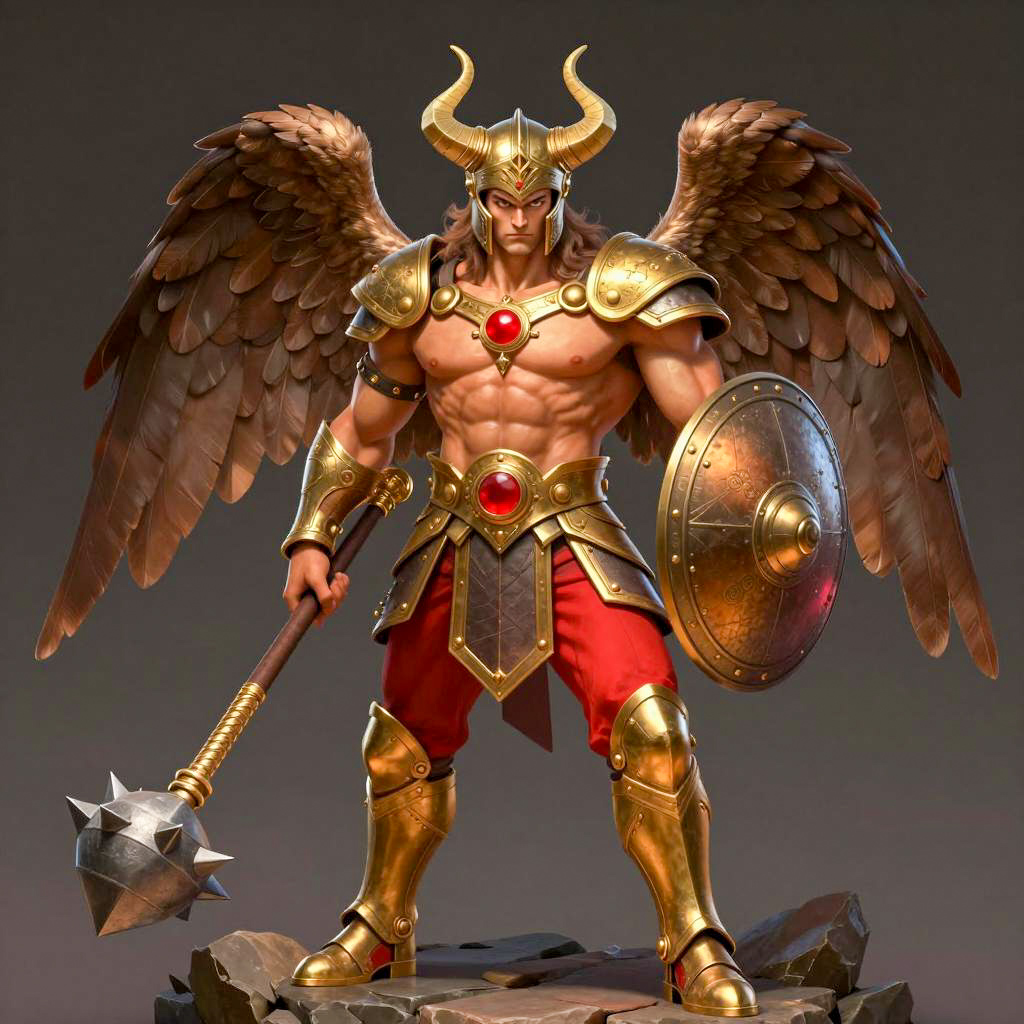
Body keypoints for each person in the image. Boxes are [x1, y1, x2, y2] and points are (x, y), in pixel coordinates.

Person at [280, 48, 759, 1018]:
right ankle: (380, 924)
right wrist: (312, 536)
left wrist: (764, 506)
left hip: (575, 538)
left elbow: (713, 432)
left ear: (558, 196)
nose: (517, 219)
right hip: (452, 539)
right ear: (476, 196)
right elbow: (363, 432)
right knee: (398, 744)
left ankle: (695, 938)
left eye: (535, 201)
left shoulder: (624, 289)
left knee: (654, 730)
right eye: (501, 201)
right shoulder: (417, 296)